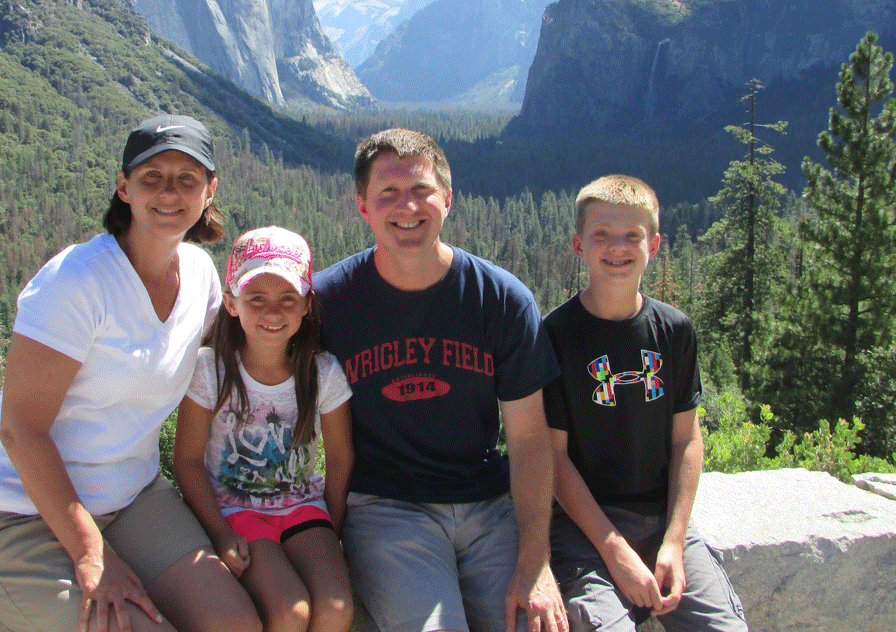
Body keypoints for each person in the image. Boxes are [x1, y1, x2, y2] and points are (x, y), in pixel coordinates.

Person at [0, 114, 261, 632]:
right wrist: (92, 553)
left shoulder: (202, 277)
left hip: (131, 497)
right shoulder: (75, 282)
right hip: (16, 514)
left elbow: (245, 357)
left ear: (210, 191)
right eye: (151, 177)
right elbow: (20, 430)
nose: (169, 192)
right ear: (124, 188)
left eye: (187, 179)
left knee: (236, 625)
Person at [313, 128, 567, 632]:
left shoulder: (502, 300)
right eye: (388, 192)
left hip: (491, 510)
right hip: (387, 509)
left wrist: (535, 565)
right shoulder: (328, 302)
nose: (407, 205)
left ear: (447, 200)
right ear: (363, 206)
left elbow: (529, 439)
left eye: (422, 189)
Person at [543, 174, 748, 632]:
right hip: (583, 531)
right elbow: (552, 458)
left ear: (653, 244)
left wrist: (674, 541)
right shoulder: (556, 336)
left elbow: (686, 439)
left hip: (662, 521)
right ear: (579, 245)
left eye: (632, 235)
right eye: (601, 235)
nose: (617, 247)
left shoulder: (675, 331)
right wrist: (616, 553)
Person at [174, 226, 355, 632]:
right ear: (231, 303)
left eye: (287, 298)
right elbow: (186, 461)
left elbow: (342, 459)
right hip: (237, 510)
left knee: (337, 608)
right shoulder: (211, 371)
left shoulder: (321, 373)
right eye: (256, 298)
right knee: (290, 612)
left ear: (307, 304)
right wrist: (219, 533)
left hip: (305, 508)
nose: (272, 312)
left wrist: (333, 532)